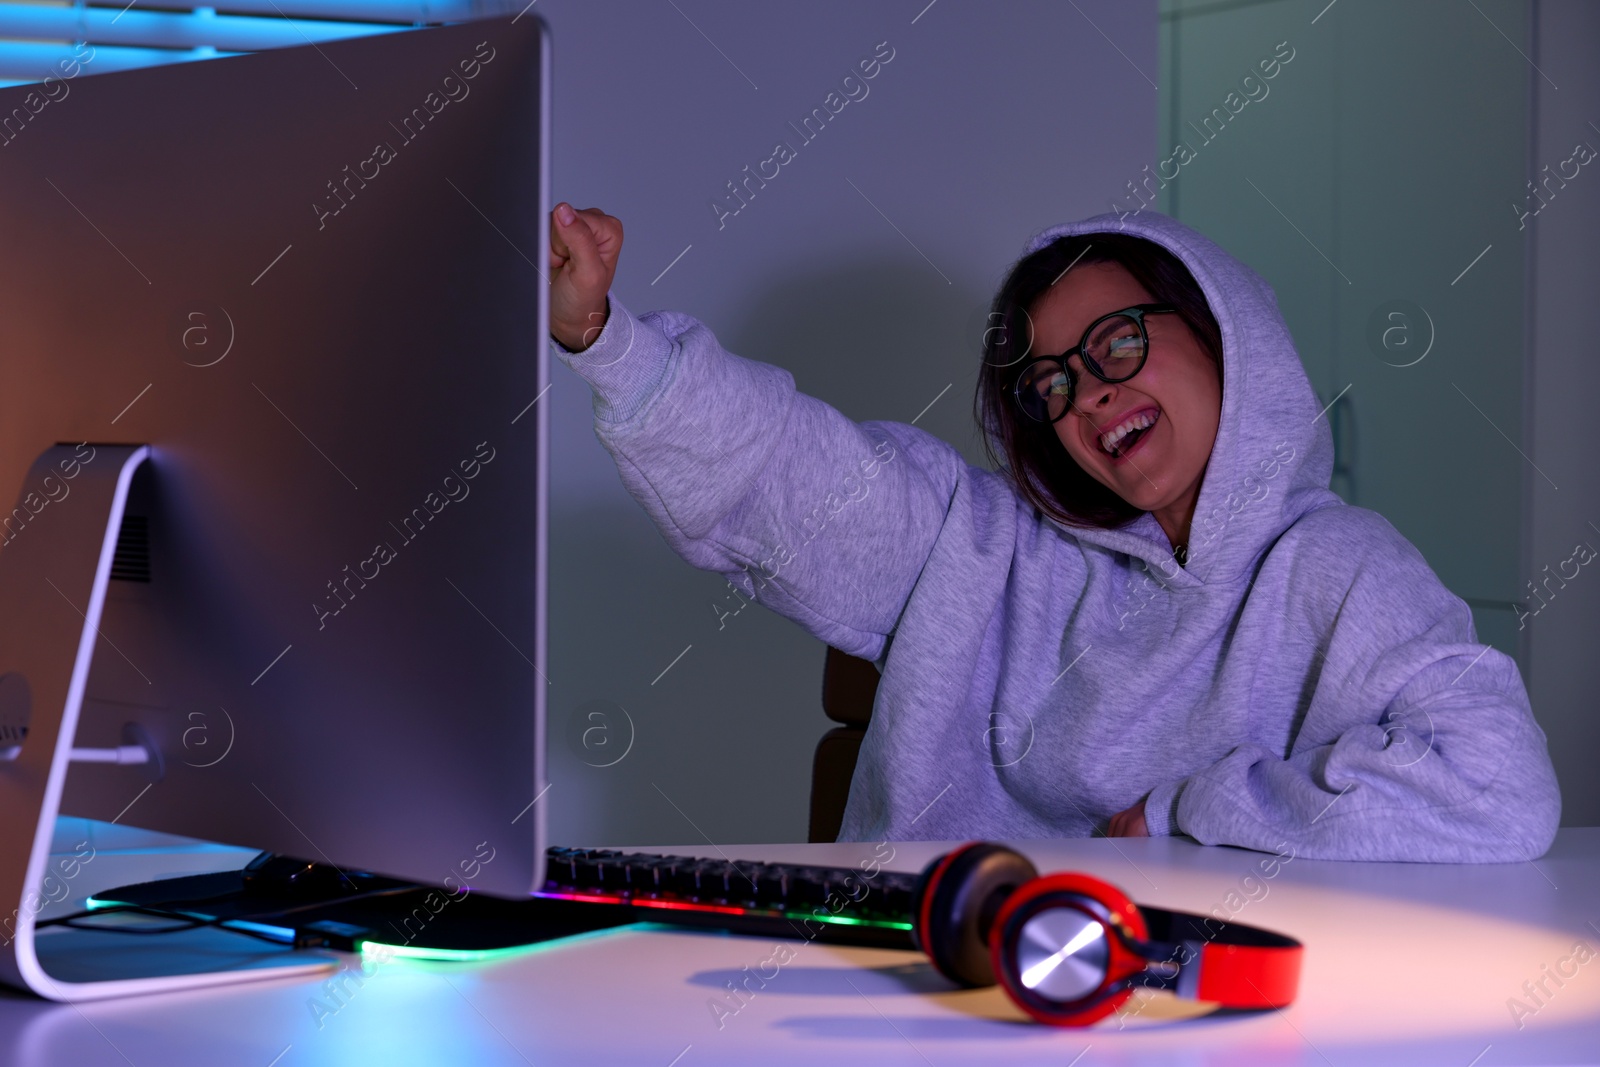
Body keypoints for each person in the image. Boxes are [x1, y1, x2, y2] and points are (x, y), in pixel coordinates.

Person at [545, 200, 1561, 862]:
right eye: (1052, 381)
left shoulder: (1341, 569)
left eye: (1118, 340)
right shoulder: (978, 544)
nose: (1089, 391)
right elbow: (782, 469)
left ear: (1222, 334)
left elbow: (1498, 786)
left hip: (1196, 1005)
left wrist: (1185, 808)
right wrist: (606, 341)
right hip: (928, 984)